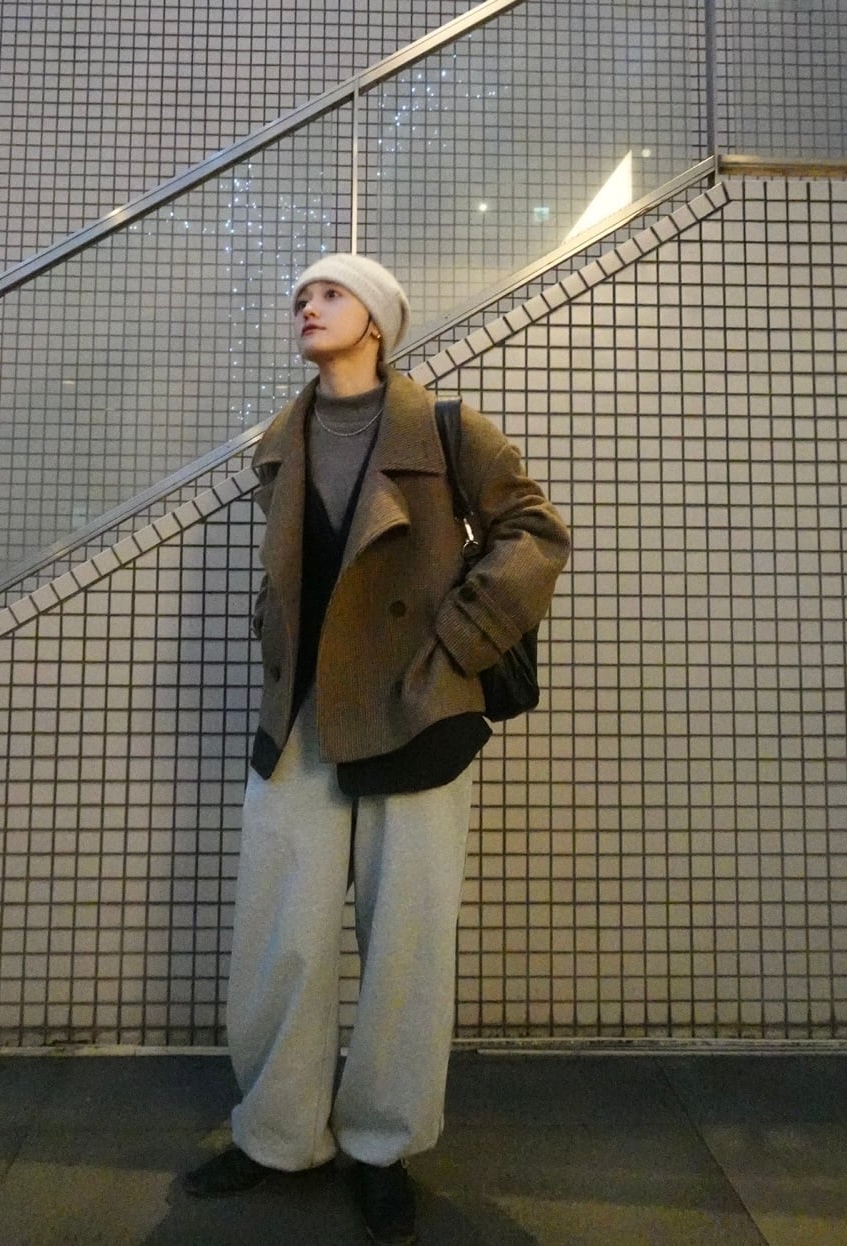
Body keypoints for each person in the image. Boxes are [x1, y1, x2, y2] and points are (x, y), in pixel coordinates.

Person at [183, 254, 570, 1244]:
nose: (307, 306)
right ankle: (277, 1134)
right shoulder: (282, 441)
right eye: (300, 296)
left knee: (406, 945)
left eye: (329, 293)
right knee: (281, 942)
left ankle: (380, 1145)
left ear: (377, 321)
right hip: (303, 719)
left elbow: (533, 531)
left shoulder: (444, 427)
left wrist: (461, 644)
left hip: (416, 714)